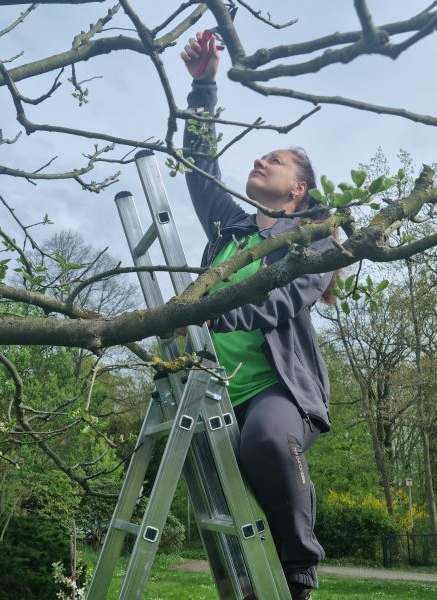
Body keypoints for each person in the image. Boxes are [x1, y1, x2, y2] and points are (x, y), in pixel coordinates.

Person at [181, 31, 335, 600]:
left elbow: (287, 299)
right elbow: (199, 167)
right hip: (214, 388)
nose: (259, 159)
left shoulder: (315, 239)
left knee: (268, 443)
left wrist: (215, 314)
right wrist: (203, 87)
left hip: (275, 390)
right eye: (259, 154)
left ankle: (298, 575)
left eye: (273, 159)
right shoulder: (231, 229)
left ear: (298, 189)